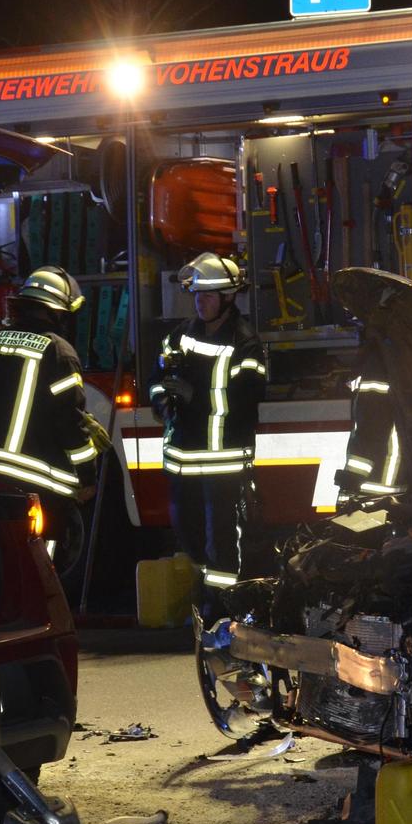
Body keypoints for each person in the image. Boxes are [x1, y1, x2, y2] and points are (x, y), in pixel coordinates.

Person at [150, 253, 267, 616]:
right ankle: (206, 601)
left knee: (221, 542)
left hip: (223, 463)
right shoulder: (181, 335)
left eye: (209, 296)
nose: (201, 303)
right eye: (198, 296)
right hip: (182, 461)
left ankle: (222, 609)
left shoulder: (246, 343)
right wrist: (161, 399)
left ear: (228, 298)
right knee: (190, 537)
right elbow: (157, 380)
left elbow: (248, 400)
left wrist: (194, 397)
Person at [0, 267, 99, 510]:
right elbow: (69, 421)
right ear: (59, 313)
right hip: (40, 484)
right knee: (42, 547)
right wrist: (88, 476)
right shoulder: (59, 351)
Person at [337, 333, 403, 503]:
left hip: (376, 490)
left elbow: (371, 427)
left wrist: (352, 477)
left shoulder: (378, 366)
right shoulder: (392, 358)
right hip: (393, 485)